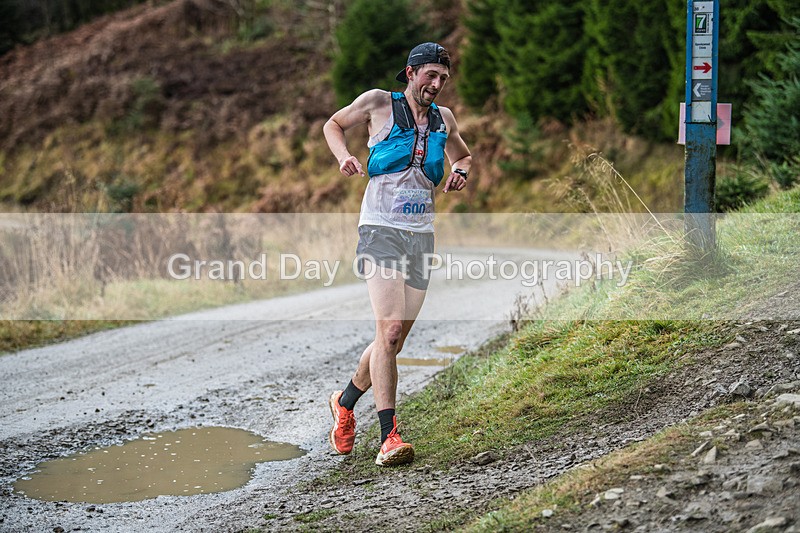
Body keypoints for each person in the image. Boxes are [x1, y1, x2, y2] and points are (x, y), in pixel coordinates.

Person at [322, 42, 472, 466]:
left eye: (443, 78)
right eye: (430, 75)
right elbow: (333, 124)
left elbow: (463, 154)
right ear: (410, 73)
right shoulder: (377, 103)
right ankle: (389, 436)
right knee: (388, 330)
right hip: (380, 230)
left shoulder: (444, 120)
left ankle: (344, 402)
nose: (437, 84)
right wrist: (344, 155)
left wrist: (460, 171)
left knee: (395, 339)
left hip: (421, 236)